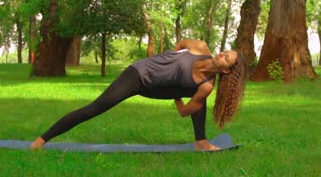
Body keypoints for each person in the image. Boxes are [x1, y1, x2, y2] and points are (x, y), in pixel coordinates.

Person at [30, 39, 247, 151]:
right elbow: (181, 44)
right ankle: (42, 139)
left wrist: (177, 94)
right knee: (95, 108)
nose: (222, 53)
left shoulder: (206, 87)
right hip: (138, 74)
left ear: (226, 70)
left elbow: (184, 112)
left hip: (155, 88)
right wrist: (171, 57)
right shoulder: (199, 47)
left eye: (227, 58)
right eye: (226, 51)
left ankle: (201, 141)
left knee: (200, 91)